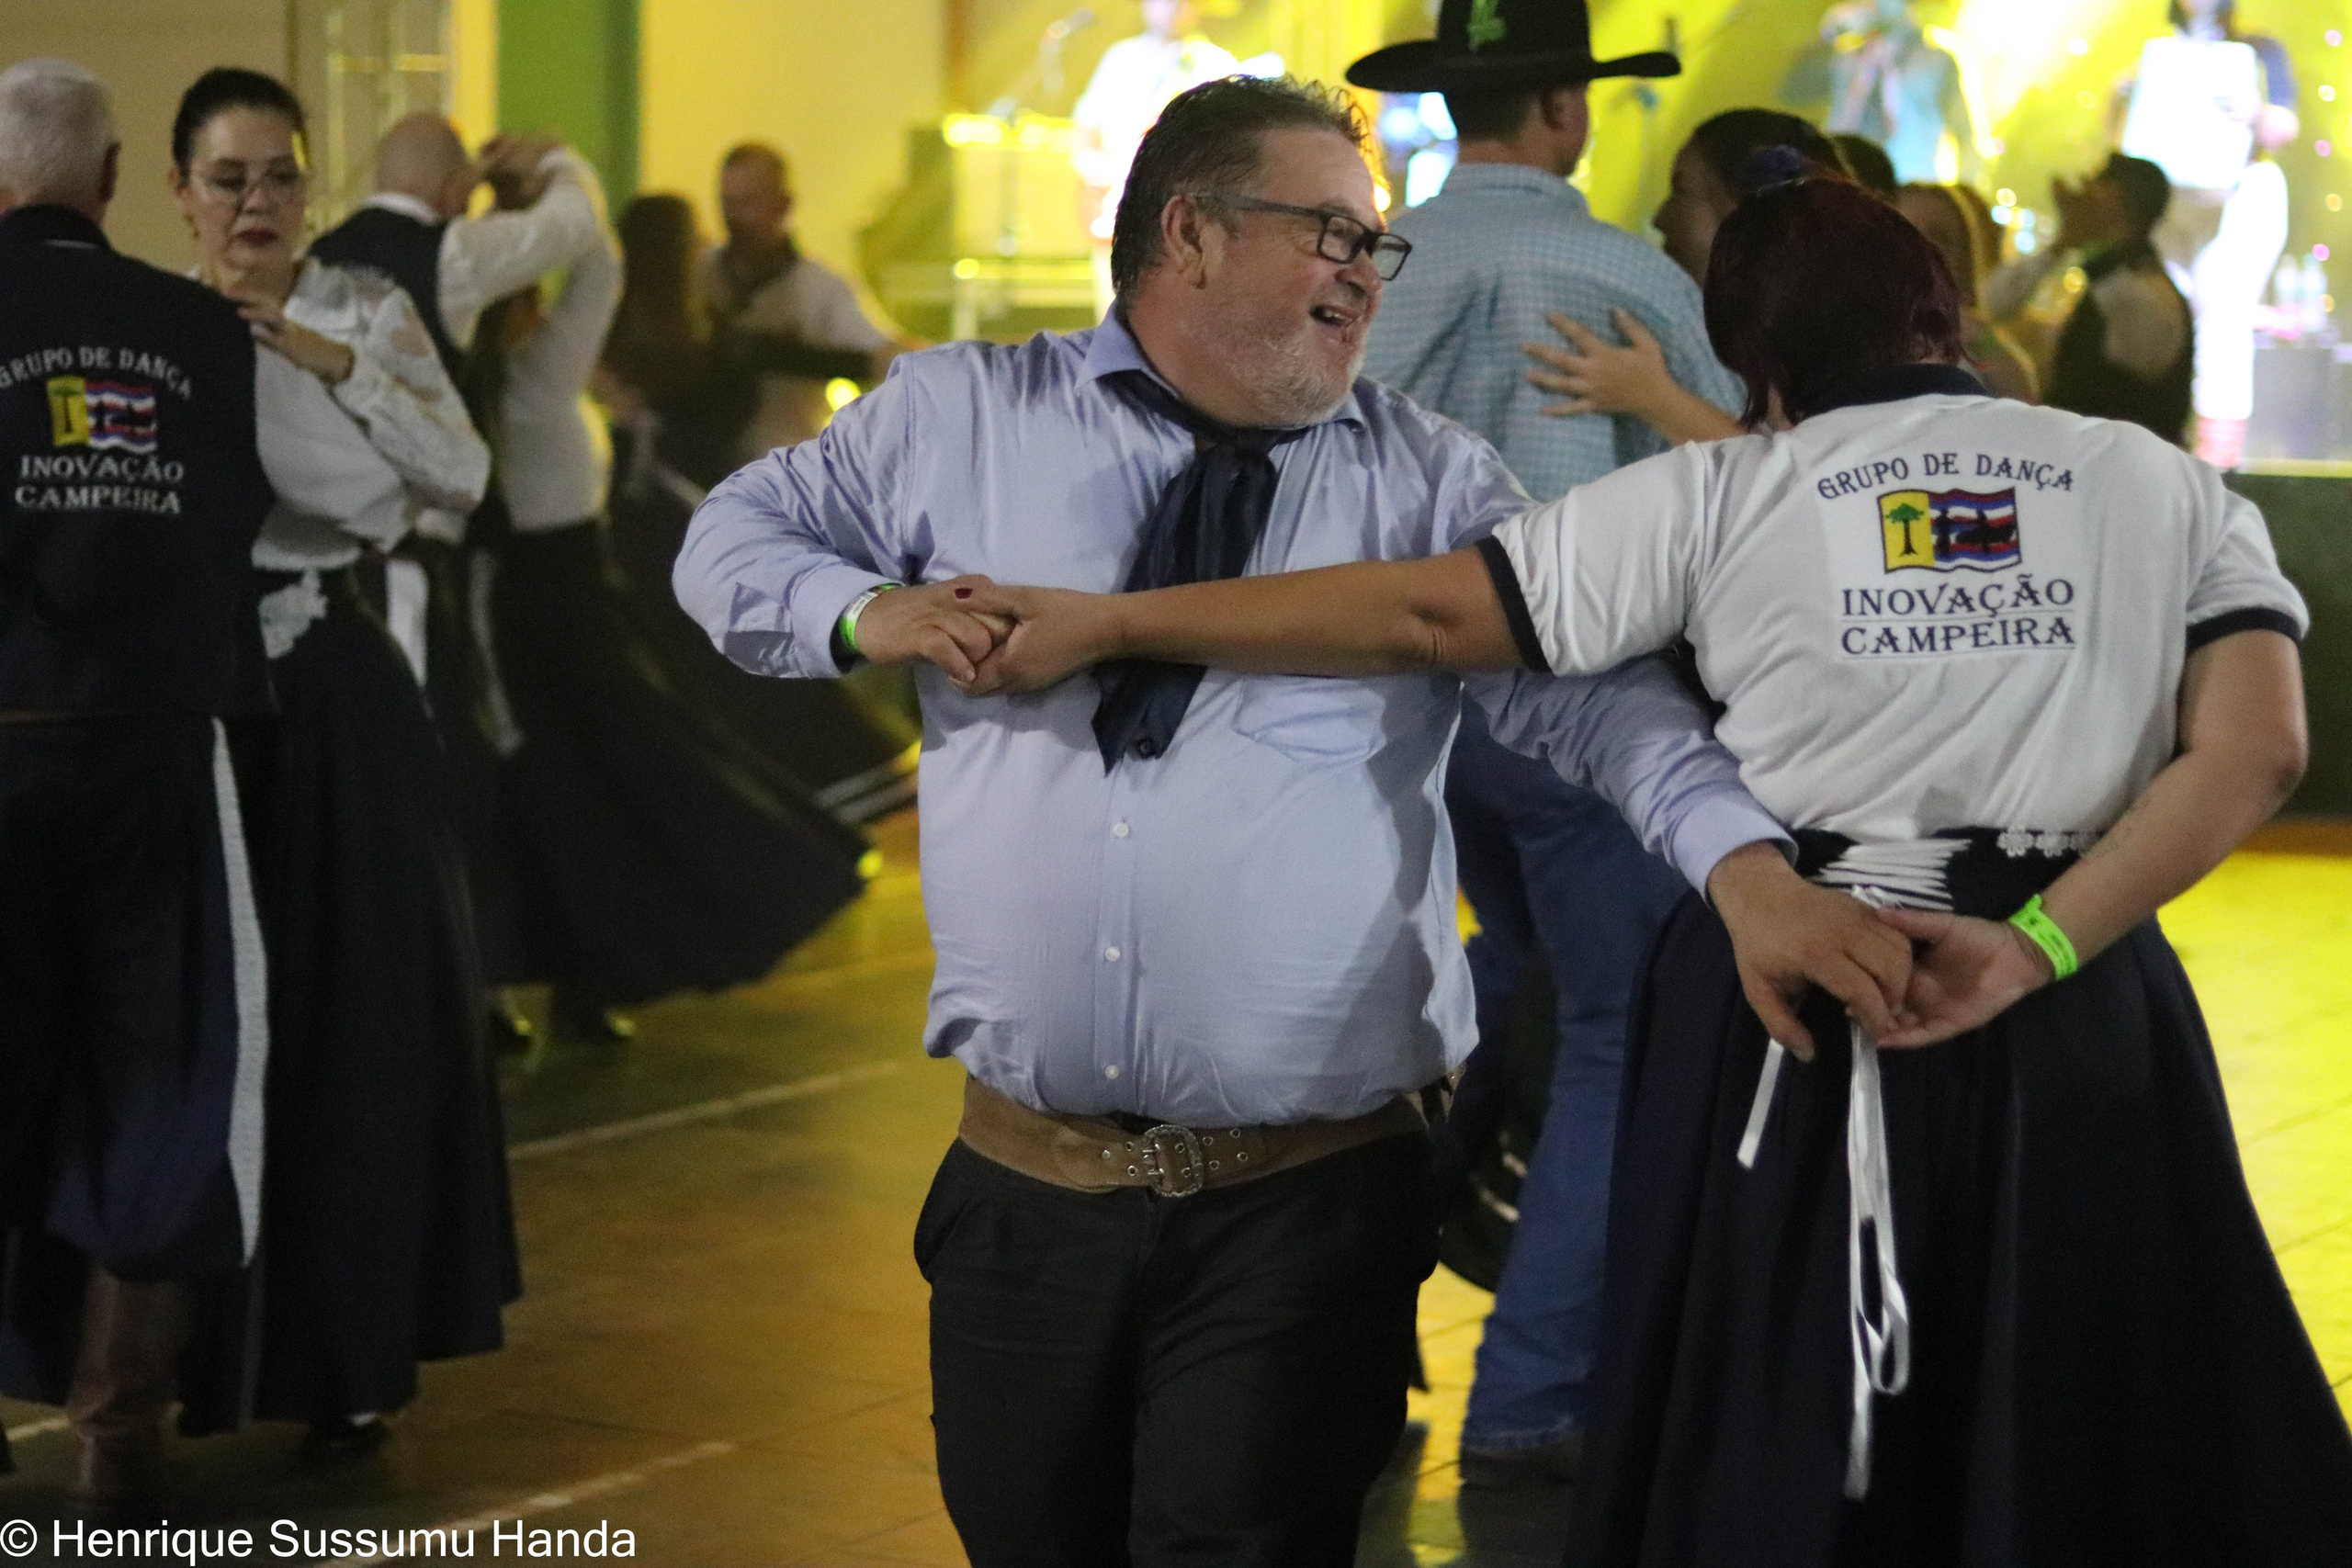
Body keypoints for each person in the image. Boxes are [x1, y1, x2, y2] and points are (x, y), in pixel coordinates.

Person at [953, 175, 2352, 1565]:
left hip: (1798, 981)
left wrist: (1118, 617)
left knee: (1786, 1397)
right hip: (2079, 997)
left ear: (1752, 360)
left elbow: (1429, 610)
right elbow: (2256, 754)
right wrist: (2041, 942)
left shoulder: (1721, 489)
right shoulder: (2167, 486)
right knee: (2093, 1378)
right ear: (1953, 310)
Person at [675, 73, 1913, 1567]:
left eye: (1371, 243)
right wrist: (868, 610)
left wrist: (1741, 863)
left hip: (1301, 1208)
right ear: (1188, 232)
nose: (1361, 271)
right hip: (1024, 1196)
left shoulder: (1424, 479)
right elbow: (732, 536)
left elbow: (1593, 698)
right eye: (1328, 230)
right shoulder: (963, 416)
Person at [1344, 0, 1725, 1491]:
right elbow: (1726, 495)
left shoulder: (1375, 268)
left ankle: (1350, 1361)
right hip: (1577, 710)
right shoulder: (1627, 272)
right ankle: (1536, 1386)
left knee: (1432, 1022)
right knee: (1617, 1024)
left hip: (1396, 705)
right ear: (1565, 112)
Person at [164, 67, 519, 1459]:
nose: (259, 203)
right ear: (179, 192)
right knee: (194, 1026)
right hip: (191, 692)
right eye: (230, 179)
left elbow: (460, 471)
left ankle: (349, 1350)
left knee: (357, 1014)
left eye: (281, 177)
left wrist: (312, 350)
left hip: (333, 689)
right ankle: (162, 1348)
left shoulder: (362, 308)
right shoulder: (153, 315)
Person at [0, 58, 275, 1509]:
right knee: (165, 1079)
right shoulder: (194, 330)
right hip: (160, 753)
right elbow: (232, 524)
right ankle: (121, 1432)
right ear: (113, 183)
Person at [472, 140, 869, 1048]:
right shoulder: (537, 380)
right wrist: (565, 166)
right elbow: (602, 263)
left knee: (562, 804)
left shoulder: (509, 381)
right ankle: (541, 979)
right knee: (600, 795)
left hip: (548, 613)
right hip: (557, 621)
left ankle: (553, 978)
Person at [303, 114, 612, 1045]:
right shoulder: (445, 254)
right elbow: (574, 231)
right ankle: (432, 994)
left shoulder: (316, 263)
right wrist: (558, 156)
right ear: (450, 192)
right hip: (415, 570)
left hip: (326, 574)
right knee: (444, 775)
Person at [597, 192, 919, 825]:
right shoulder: (658, 339)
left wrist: (880, 359)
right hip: (680, 524)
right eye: (692, 243)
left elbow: (782, 356)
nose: (704, 252)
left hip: (693, 520)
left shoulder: (697, 328)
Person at [1522, 111, 1841, 446]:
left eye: (1681, 191)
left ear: (1750, 215)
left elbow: (1795, 477)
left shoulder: (1826, 343)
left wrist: (1653, 397)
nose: (1660, 218)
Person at [2117, 0, 2296, 468]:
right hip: (2170, 202)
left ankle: (2217, 469)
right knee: (2164, 320)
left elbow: (2285, 125)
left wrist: (2256, 114)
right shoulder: (2153, 53)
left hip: (2239, 196)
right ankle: (2168, 455)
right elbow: (2124, 140)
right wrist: (2122, 99)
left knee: (2222, 324)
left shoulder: (2258, 49)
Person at [699, 142, 908, 458]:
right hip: (707, 470)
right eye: (728, 203)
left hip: (785, 471)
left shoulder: (822, 289)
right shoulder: (700, 276)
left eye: (750, 203)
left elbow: (886, 360)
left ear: (784, 205)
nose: (735, 218)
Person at [1987, 153, 2190, 442]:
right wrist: (2063, 243)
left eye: (2095, 188)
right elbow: (1992, 304)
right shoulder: (2112, 279)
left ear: (2116, 201)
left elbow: (2140, 358)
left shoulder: (2151, 294)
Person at [1073, 0, 1242, 308]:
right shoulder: (1120, 57)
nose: (1170, 6)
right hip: (1116, 198)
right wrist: (1092, 167)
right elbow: (1086, 123)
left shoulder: (1214, 64)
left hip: (1180, 204)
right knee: (1114, 308)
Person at [1784, 0, 1976, 186]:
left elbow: (1965, 135)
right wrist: (1829, 36)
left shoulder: (1936, 60)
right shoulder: (1845, 56)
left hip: (1907, 187)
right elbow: (1792, 92)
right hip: (1842, 184)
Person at [1893, 181, 2038, 402]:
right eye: (1908, 235)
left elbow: (2024, 413)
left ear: (1964, 259)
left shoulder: (1981, 347)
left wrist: (1983, 344)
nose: (1925, 250)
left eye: (1941, 239)